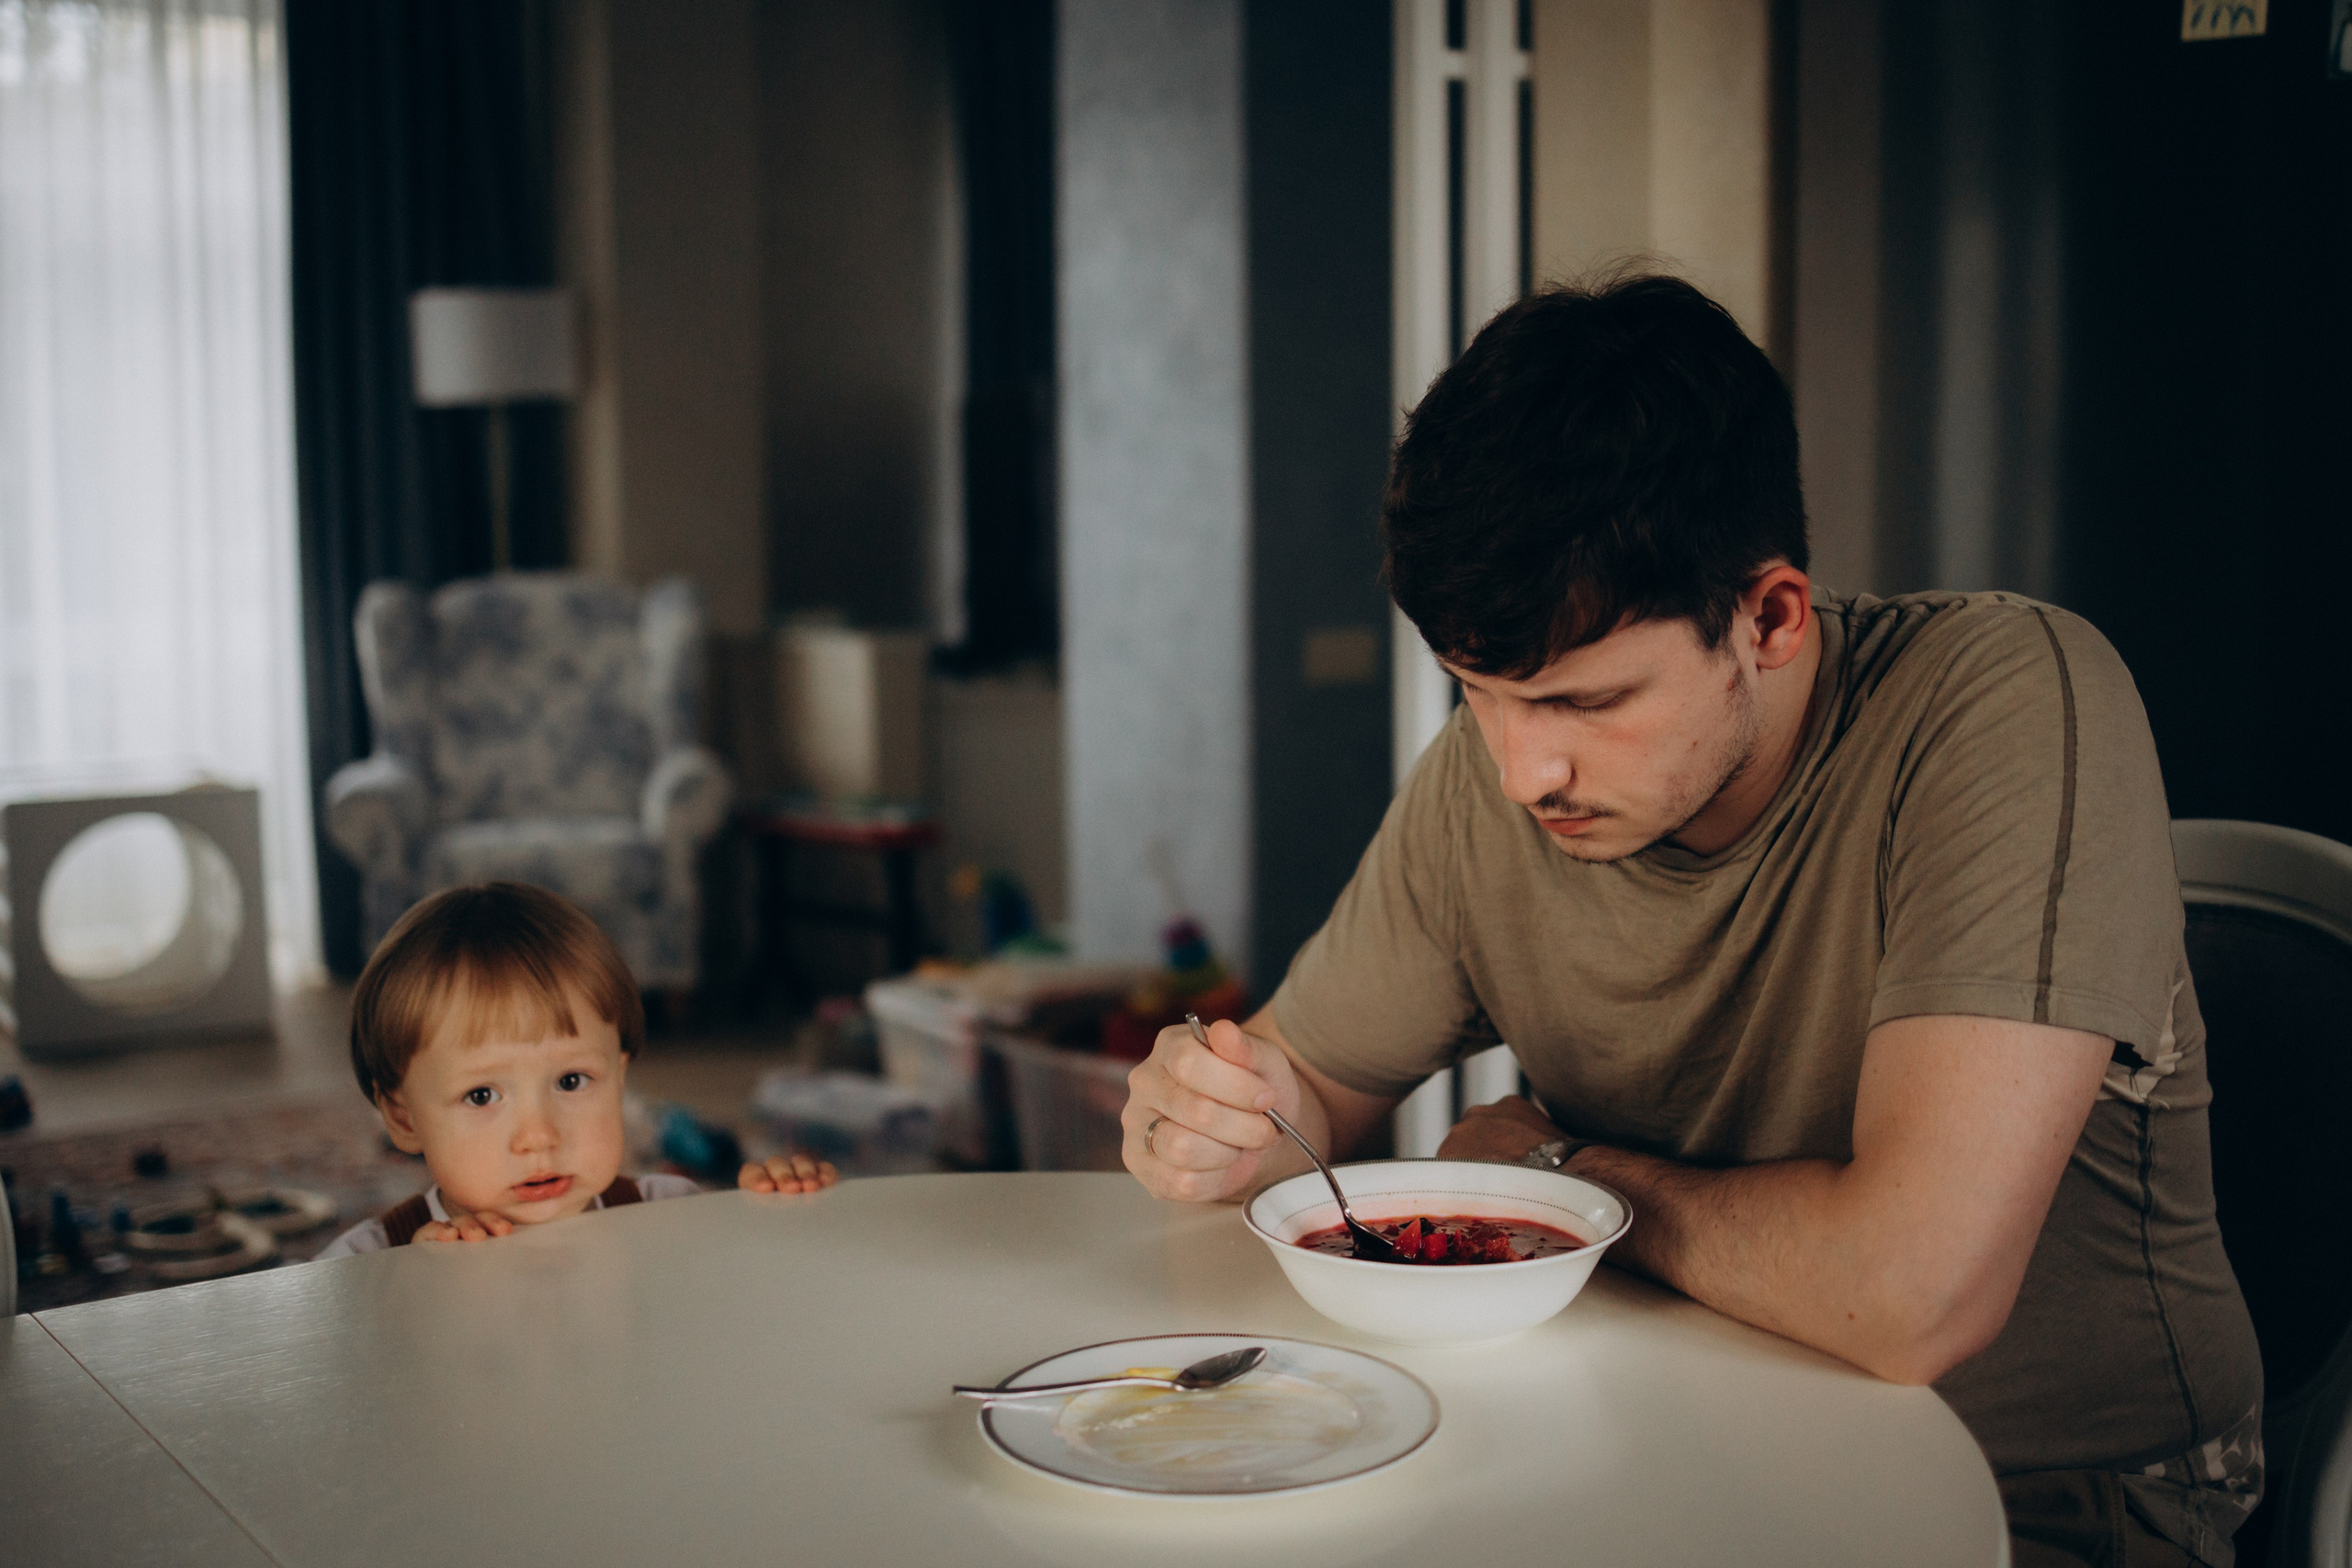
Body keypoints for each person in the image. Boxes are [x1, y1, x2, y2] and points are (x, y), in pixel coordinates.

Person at [1120, 276, 2261, 1567]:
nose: (1522, 772)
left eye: (1587, 701)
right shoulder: (1489, 785)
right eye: (1477, 690)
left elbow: (1913, 1296)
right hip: (1651, 1452)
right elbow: (1309, 1090)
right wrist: (1222, 1118)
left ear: (1768, 617)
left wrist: (1557, 1175)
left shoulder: (2007, 704)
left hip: (2047, 1492)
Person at [318, 882, 834, 1258]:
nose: (539, 1136)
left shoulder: (669, 1214)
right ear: (404, 1117)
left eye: (570, 1081)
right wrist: (407, 1299)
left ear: (619, 1077)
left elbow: (757, 1311)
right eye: (481, 1095)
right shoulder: (368, 1260)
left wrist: (777, 1216)